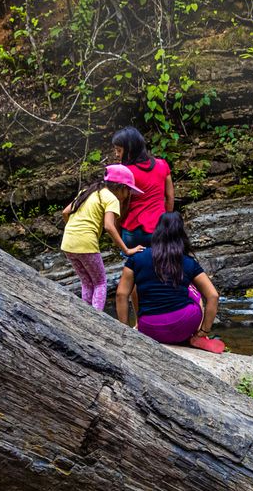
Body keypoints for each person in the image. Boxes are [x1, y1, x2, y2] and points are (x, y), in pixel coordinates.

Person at [116, 211, 223, 353]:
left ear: (157, 231)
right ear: (181, 233)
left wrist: (124, 328)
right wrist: (204, 329)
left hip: (149, 328)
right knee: (193, 291)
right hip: (184, 324)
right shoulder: (188, 262)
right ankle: (197, 336)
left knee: (137, 286)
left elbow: (121, 295)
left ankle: (138, 324)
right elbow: (213, 296)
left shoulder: (137, 258)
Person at [61, 164, 144, 309]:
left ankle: (85, 316)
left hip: (68, 243)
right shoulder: (111, 198)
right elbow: (109, 226)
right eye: (129, 190)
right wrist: (127, 250)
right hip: (85, 243)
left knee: (87, 283)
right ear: (122, 187)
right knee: (100, 283)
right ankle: (96, 320)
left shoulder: (87, 191)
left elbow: (65, 212)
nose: (129, 195)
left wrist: (73, 230)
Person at [111, 126, 174, 249]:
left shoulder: (125, 172)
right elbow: (170, 197)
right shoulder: (162, 164)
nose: (116, 154)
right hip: (159, 228)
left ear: (130, 150)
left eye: (119, 150)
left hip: (134, 232)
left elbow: (121, 205)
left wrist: (117, 231)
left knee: (135, 265)